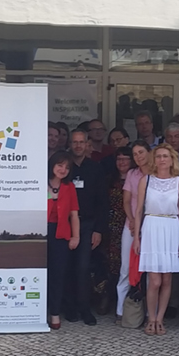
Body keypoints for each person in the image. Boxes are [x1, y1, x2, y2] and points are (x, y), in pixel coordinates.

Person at [133, 144, 179, 337]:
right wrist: (137, 237)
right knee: (154, 280)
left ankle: (160, 319)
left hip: (171, 227)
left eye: (165, 156)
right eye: (158, 156)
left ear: (172, 159)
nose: (162, 159)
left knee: (166, 279)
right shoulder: (146, 180)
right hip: (151, 227)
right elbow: (139, 210)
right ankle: (151, 317)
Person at [66, 130, 107, 325]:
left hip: (87, 224)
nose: (78, 146)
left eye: (81, 142)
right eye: (75, 142)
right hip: (65, 224)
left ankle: (84, 308)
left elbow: (102, 202)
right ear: (70, 144)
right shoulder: (63, 167)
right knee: (67, 267)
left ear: (87, 144)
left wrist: (98, 230)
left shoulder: (95, 168)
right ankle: (69, 307)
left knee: (83, 267)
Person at [42, 152, 83, 331]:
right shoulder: (39, 183)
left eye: (67, 167)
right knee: (41, 272)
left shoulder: (69, 187)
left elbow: (74, 215)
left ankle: (55, 312)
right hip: (41, 233)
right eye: (60, 165)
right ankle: (37, 310)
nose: (63, 170)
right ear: (52, 165)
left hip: (61, 234)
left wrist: (76, 236)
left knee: (58, 275)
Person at [115, 142, 153, 319]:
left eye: (141, 152)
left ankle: (149, 312)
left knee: (150, 270)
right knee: (126, 268)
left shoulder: (158, 174)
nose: (138, 157)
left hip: (152, 226)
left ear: (149, 153)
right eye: (135, 154)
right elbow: (126, 201)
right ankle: (121, 311)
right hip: (130, 226)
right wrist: (131, 220)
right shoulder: (132, 174)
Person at [101, 148, 132, 315]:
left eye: (125, 159)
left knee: (128, 264)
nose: (122, 162)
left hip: (130, 225)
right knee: (112, 262)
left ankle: (129, 302)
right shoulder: (108, 180)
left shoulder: (137, 179)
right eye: (119, 159)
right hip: (111, 226)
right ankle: (108, 296)